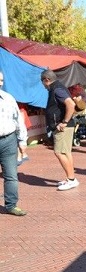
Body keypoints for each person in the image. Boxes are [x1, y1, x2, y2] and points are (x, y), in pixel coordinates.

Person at [41, 69, 79, 191]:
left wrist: (64, 122)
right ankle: (71, 178)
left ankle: (71, 179)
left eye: (42, 82)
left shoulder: (56, 89)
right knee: (66, 152)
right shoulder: (58, 87)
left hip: (63, 127)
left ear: (47, 80)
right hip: (65, 126)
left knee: (59, 152)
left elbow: (70, 104)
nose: (43, 85)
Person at [0, 71, 28, 215]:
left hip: (8, 140)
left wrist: (22, 140)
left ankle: (11, 205)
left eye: (1, 80)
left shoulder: (8, 99)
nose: (0, 83)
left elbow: (18, 121)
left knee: (11, 175)